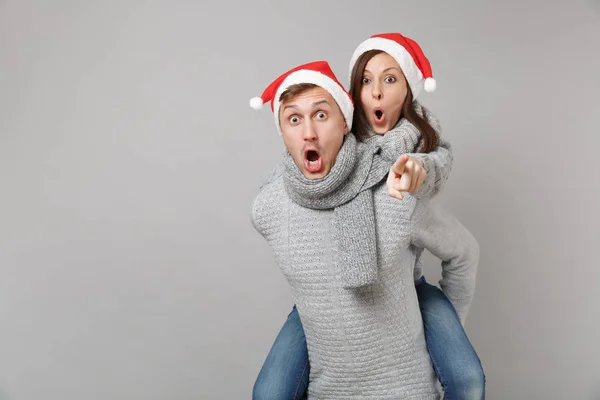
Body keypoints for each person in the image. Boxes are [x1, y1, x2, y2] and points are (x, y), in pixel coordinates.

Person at [252, 33, 485, 400]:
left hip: (408, 284)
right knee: (268, 392)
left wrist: (416, 169)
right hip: (320, 307)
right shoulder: (281, 194)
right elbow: (290, 173)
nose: (376, 93)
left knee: (467, 378)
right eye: (366, 81)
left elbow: (438, 161)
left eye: (390, 79)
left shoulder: (404, 153)